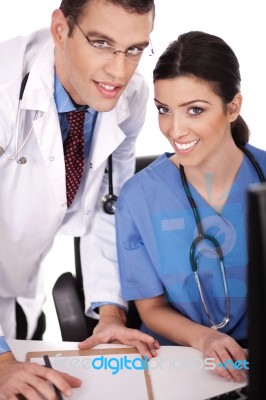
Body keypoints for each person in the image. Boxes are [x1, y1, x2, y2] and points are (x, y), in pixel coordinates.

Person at [0, 0, 159, 398]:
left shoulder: (129, 98)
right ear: (60, 29)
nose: (119, 71)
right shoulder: (5, 88)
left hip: (20, 287)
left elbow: (110, 203)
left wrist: (109, 313)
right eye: (102, 43)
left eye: (135, 48)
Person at [115, 31, 266, 383]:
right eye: (164, 110)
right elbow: (150, 309)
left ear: (233, 107)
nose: (175, 129)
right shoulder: (139, 196)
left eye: (195, 110)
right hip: (182, 362)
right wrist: (206, 338)